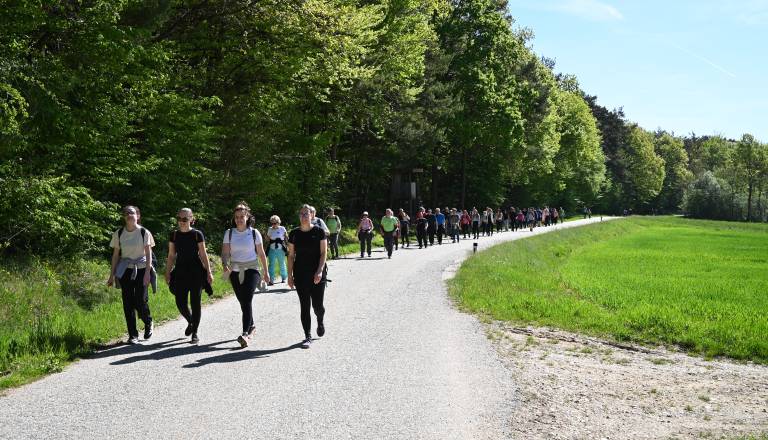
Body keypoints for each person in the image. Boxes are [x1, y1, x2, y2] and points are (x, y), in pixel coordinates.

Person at [222, 203, 271, 348]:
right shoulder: (229, 233)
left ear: (247, 216)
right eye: (236, 217)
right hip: (235, 271)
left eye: (242, 217)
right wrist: (225, 264)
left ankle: (245, 334)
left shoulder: (254, 233)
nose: (239, 219)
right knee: (242, 301)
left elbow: (261, 253)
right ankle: (252, 325)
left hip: (252, 269)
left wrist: (266, 272)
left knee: (247, 299)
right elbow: (225, 252)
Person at [107, 205, 156, 345]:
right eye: (126, 213)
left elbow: (149, 254)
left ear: (138, 215)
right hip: (125, 270)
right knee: (127, 302)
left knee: (140, 300)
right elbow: (116, 255)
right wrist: (112, 275)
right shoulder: (119, 233)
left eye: (132, 213)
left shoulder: (144, 232)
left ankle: (148, 321)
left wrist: (148, 273)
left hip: (141, 268)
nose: (129, 215)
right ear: (124, 217)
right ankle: (133, 335)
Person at [165, 208, 213, 344]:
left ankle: (195, 333)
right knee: (180, 302)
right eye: (179, 219)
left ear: (191, 219)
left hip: (196, 272)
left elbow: (203, 254)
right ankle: (191, 321)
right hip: (180, 271)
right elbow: (171, 255)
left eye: (185, 219)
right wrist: (167, 272)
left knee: (195, 302)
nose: (181, 222)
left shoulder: (197, 234)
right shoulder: (173, 235)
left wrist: (208, 272)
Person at [287, 204, 328, 349]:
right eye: (302, 214)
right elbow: (291, 256)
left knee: (317, 306)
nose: (304, 216)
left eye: (306, 213)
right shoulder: (294, 233)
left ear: (312, 215)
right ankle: (307, 336)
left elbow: (323, 253)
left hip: (317, 272)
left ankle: (320, 319)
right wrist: (290, 276)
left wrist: (320, 270)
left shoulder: (319, 231)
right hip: (300, 274)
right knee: (305, 306)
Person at [266, 215, 289, 285]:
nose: (273, 225)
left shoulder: (282, 229)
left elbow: (286, 237)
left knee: (282, 263)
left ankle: (284, 278)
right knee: (271, 264)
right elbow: (267, 239)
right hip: (272, 249)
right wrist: (268, 238)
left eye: (275, 223)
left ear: (278, 222)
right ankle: (271, 279)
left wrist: (287, 246)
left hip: (280, 249)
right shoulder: (270, 229)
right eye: (272, 223)